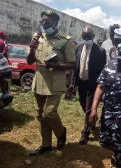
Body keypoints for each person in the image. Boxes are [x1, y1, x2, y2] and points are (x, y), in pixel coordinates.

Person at [27, 10, 76, 156]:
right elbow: (30, 61)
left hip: (55, 82)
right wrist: (32, 48)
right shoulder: (38, 39)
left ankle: (61, 132)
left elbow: (73, 64)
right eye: (42, 21)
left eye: (47, 21)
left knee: (50, 112)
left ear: (55, 23)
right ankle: (46, 144)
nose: (44, 23)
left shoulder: (65, 41)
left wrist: (57, 66)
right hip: (39, 81)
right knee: (41, 114)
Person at [88, 42, 121, 168]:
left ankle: (120, 164)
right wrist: (94, 108)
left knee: (119, 140)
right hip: (109, 110)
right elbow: (100, 87)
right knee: (104, 141)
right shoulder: (110, 66)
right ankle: (117, 154)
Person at [70, 26, 106, 145]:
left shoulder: (100, 51)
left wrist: (100, 86)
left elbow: (102, 70)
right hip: (81, 83)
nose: (86, 39)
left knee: (88, 107)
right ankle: (92, 119)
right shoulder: (78, 48)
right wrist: (72, 83)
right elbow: (75, 68)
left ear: (93, 37)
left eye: (89, 37)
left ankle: (85, 133)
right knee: (83, 104)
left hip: (92, 84)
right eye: (84, 37)